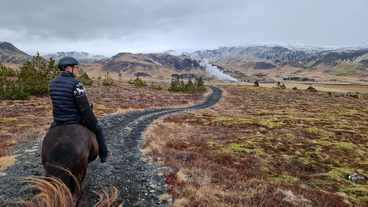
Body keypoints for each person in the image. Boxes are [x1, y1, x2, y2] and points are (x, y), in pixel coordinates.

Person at [48, 57, 111, 163]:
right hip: (76, 119)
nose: (79, 70)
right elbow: (85, 109)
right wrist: (94, 122)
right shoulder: (77, 84)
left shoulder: (52, 83)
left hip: (58, 120)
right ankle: (104, 155)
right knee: (98, 130)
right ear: (69, 69)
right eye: (76, 67)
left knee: (49, 137)